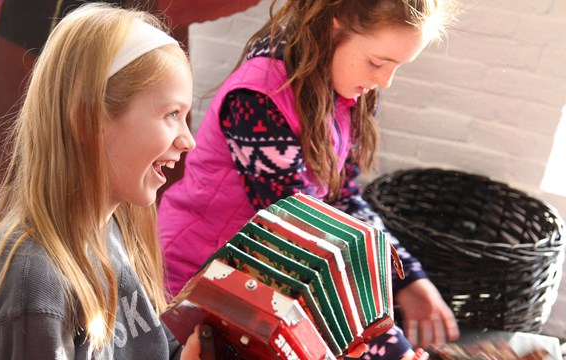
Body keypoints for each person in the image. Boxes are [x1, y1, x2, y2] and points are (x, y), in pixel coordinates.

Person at [158, 0, 460, 359]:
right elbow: (302, 237)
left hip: (270, 278)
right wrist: (383, 339)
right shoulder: (258, 100)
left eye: (397, 67)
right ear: (334, 25)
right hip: (205, 279)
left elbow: (342, 198)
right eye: (378, 63)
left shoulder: (347, 88)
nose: (384, 81)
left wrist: (407, 275)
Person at [0, 3, 205, 359]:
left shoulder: (113, 229)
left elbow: (149, 347)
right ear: (89, 121)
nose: (188, 140)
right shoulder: (32, 293)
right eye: (172, 114)